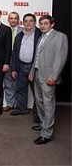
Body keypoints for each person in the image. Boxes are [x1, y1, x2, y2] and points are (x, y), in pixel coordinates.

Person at [29, 15, 68, 145]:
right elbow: (36, 57)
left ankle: (47, 134)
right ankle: (43, 124)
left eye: (46, 23)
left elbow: (60, 58)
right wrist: (32, 72)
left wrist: (54, 76)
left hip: (49, 76)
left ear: (52, 24)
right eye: (41, 24)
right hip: (38, 74)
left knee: (48, 104)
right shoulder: (41, 37)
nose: (43, 25)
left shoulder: (60, 37)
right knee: (39, 102)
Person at [10, 13, 41, 116]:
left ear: (35, 22)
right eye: (26, 21)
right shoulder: (20, 35)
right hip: (21, 66)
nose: (28, 23)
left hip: (34, 67)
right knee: (20, 89)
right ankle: (21, 109)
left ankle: (38, 114)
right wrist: (14, 69)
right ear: (23, 23)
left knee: (37, 92)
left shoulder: (40, 34)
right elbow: (15, 53)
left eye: (31, 21)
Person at [3, 12, 24, 112]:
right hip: (7, 60)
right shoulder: (5, 31)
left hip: (19, 61)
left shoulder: (24, 31)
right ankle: (10, 104)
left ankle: (20, 105)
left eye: (15, 18)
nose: (13, 20)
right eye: (11, 18)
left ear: (18, 20)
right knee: (8, 83)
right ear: (8, 20)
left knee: (20, 84)